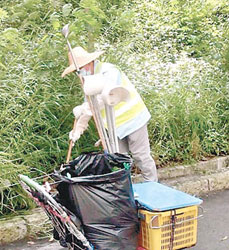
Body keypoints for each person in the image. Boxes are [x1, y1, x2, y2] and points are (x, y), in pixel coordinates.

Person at [62, 47, 158, 182]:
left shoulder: (109, 71)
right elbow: (89, 103)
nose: (79, 73)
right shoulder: (87, 80)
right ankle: (126, 191)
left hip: (133, 118)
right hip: (114, 127)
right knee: (118, 159)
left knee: (140, 155)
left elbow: (103, 98)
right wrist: (78, 128)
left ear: (89, 63)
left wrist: (84, 109)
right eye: (77, 71)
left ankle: (153, 185)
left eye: (80, 68)